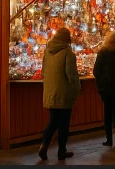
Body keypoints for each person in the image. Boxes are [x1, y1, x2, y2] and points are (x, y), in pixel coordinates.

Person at [39, 27, 80, 161]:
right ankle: (61, 151)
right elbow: (71, 75)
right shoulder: (68, 53)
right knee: (64, 123)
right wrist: (77, 89)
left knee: (53, 121)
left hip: (51, 92)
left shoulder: (47, 52)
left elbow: (43, 72)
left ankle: (44, 145)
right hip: (64, 93)